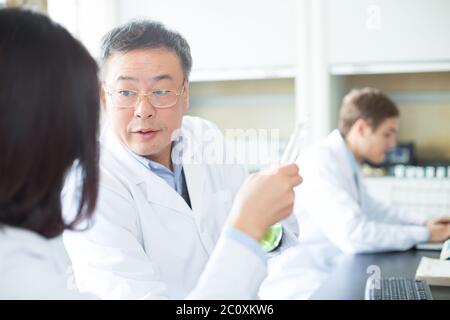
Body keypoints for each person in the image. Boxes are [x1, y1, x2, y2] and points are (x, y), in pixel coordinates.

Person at [0, 8, 302, 299]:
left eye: (161, 92)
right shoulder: (91, 188)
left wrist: (266, 221)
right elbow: (247, 229)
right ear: (105, 98)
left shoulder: (205, 136)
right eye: (126, 92)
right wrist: (248, 224)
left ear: (185, 94)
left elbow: (269, 240)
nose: (143, 110)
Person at [294, 87, 450, 255]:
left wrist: (425, 222)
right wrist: (427, 234)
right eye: (387, 134)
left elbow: (374, 210)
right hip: (312, 274)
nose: (393, 144)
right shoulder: (320, 160)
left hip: (334, 265)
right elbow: (355, 234)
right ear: (361, 128)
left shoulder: (347, 161)